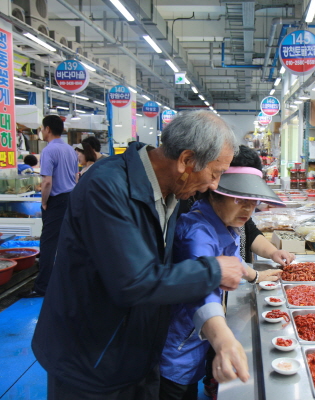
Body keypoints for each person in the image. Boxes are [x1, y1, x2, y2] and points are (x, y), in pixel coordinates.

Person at [31, 110, 248, 399]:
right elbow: (132, 281)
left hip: (137, 352)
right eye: (215, 173)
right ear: (185, 160)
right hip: (91, 359)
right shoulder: (107, 186)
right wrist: (214, 270)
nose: (214, 185)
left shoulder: (173, 192)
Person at [159, 146, 286, 400]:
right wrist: (225, 341)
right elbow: (203, 289)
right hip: (179, 347)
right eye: (240, 200)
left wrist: (256, 276)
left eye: (253, 202)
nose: (248, 210)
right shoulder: (197, 232)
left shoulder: (224, 224)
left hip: (197, 342)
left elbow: (233, 261)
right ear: (214, 192)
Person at [20, 115, 78, 298]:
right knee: (67, 243)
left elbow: (46, 182)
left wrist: (44, 202)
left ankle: (42, 287)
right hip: (71, 199)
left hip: (57, 201)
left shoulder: (49, 151)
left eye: (42, 128)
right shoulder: (70, 150)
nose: (41, 132)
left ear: (47, 129)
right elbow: (76, 177)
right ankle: (67, 281)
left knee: (48, 245)